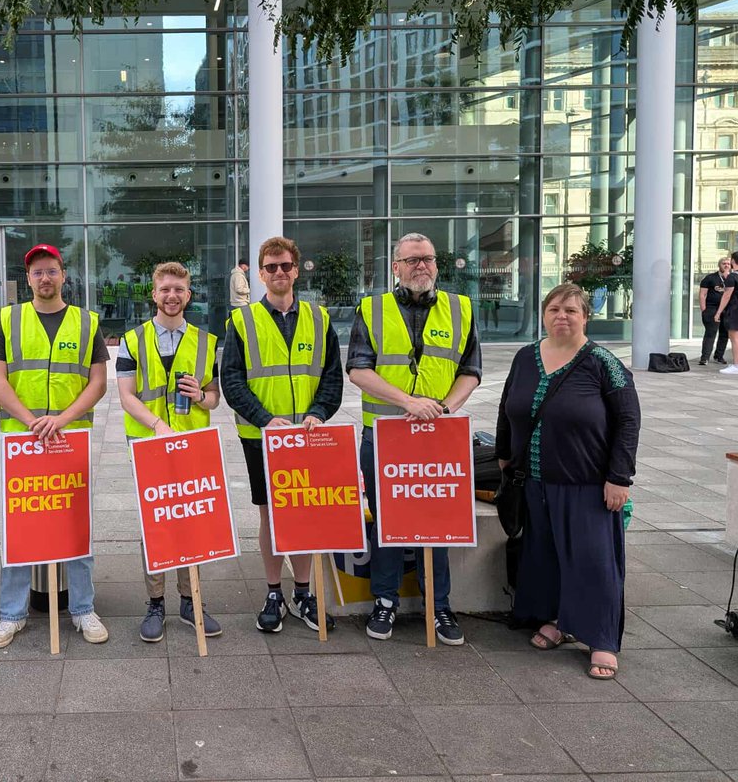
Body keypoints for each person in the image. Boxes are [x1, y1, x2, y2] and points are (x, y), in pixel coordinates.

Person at [495, 282, 640, 679]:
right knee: (546, 557)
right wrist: (504, 455)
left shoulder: (603, 362)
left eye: (571, 310)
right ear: (543, 315)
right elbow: (507, 408)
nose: (562, 316)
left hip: (587, 483)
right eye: (554, 309)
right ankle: (558, 620)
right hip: (535, 482)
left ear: (585, 317)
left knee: (594, 562)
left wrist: (619, 477)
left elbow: (628, 421)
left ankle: (602, 638)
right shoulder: (525, 357)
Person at [346, 232, 481, 646]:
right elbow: (358, 369)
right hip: (384, 434)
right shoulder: (372, 309)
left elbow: (471, 371)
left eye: (428, 258)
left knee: (437, 522)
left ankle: (438, 605)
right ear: (396, 267)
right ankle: (384, 600)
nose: (421, 266)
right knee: (387, 521)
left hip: (437, 435)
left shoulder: (461, 308)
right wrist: (409, 402)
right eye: (412, 260)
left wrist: (444, 409)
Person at [0, 243, 110, 647]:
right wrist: (31, 420)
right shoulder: (8, 319)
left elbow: (98, 383)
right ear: (28, 279)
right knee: (19, 526)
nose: (44, 278)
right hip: (23, 441)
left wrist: (61, 419)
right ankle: (11, 614)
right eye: (37, 272)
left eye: (51, 270)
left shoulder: (86, 322)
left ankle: (83, 609)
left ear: (63, 275)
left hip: (70, 439)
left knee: (76, 525)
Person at [222, 236, 343, 633]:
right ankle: (274, 591)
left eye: (285, 266)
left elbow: (331, 376)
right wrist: (264, 419)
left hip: (308, 435)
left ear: (296, 271)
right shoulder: (242, 321)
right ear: (260, 274)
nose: (279, 272)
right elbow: (232, 381)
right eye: (271, 267)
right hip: (261, 437)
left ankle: (303, 592)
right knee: (270, 514)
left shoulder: (319, 318)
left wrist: (318, 413)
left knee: (304, 512)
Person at [116, 261, 223, 642]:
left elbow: (214, 396)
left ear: (188, 295)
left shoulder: (206, 341)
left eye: (179, 289)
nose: (172, 296)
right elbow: (126, 396)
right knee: (156, 523)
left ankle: (190, 600)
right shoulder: (133, 339)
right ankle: (155, 602)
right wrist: (158, 425)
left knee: (191, 520)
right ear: (154, 294)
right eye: (165, 289)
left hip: (192, 442)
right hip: (148, 442)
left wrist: (202, 397)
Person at [698, 257, 733, 366]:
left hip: (727, 309)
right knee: (710, 333)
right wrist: (704, 309)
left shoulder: (733, 278)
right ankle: (705, 358)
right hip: (712, 308)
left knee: (724, 334)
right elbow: (702, 294)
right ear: (719, 265)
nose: (726, 265)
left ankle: (719, 356)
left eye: (728, 264)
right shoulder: (710, 278)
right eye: (724, 263)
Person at [715, 251, 738, 375]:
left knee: (734, 338)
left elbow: (727, 295)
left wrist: (718, 312)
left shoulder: (732, 277)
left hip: (735, 310)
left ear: (733, 261)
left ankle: (737, 365)